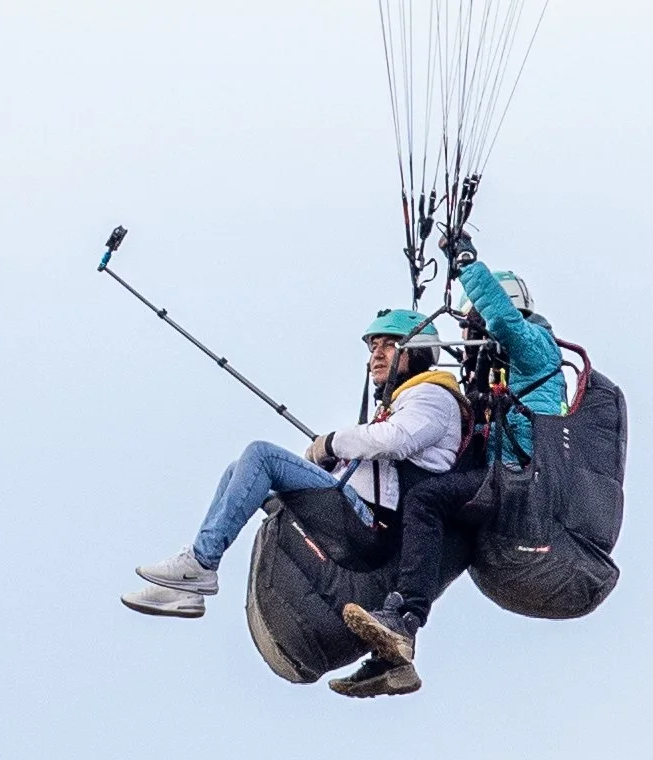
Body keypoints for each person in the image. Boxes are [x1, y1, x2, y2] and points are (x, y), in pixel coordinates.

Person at [123, 311, 466, 691]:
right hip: (357, 510)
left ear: (418, 352)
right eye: (373, 347)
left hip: (370, 523)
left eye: (388, 345)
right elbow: (382, 449)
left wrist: (332, 443)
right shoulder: (404, 399)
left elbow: (396, 439)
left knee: (262, 456)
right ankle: (192, 581)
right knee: (240, 469)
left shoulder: (433, 395)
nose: (376, 356)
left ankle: (200, 565)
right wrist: (336, 462)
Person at [337, 257, 567, 686]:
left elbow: (504, 321)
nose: (467, 337)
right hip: (501, 479)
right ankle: (397, 656)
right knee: (435, 517)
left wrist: (464, 259)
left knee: (427, 500)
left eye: (471, 326)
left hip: (522, 477)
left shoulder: (535, 347)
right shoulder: (491, 377)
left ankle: (404, 616)